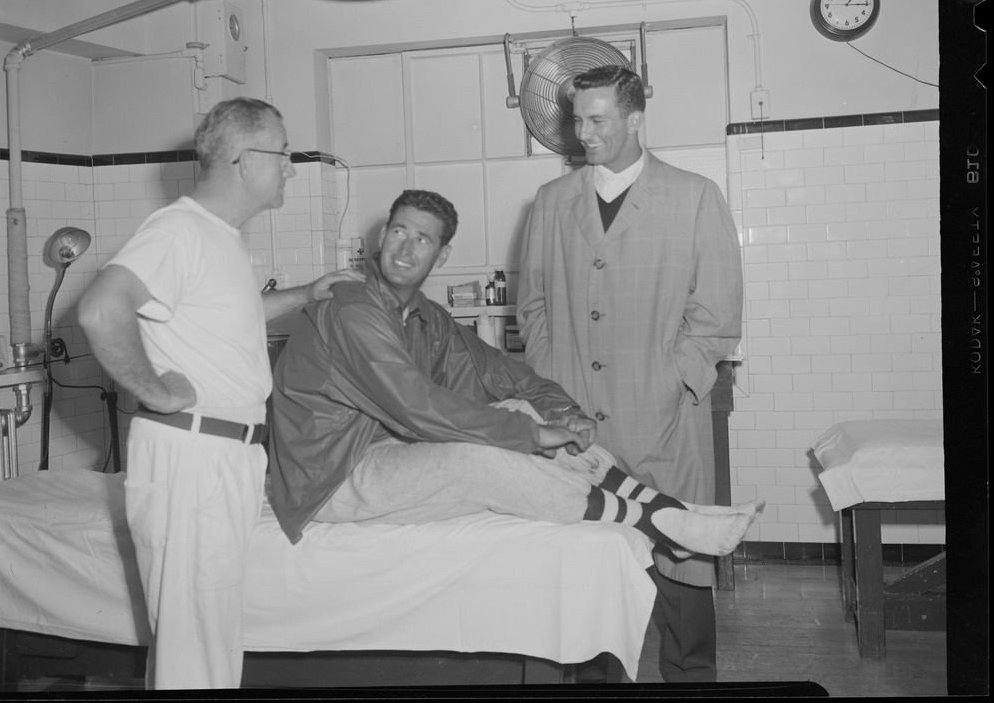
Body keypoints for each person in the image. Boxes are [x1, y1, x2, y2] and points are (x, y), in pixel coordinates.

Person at [268, 189, 761, 566]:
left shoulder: (422, 314)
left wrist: (559, 410)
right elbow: (417, 406)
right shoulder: (353, 307)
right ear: (382, 236)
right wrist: (531, 435)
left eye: (422, 239)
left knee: (519, 411)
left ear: (440, 256)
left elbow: (499, 371)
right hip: (331, 478)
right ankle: (659, 524)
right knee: (476, 458)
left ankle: (669, 508)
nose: (405, 248)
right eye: (398, 231)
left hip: (380, 450)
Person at [77, 97, 362, 690]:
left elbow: (227, 319)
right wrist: (154, 391)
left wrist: (307, 292)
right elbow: (102, 310)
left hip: (224, 456)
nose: (289, 166)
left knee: (208, 638)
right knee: (194, 644)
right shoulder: (179, 229)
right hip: (193, 456)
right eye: (282, 153)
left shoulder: (220, 237)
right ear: (242, 158)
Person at [516, 65, 744, 682]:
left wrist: (672, 381)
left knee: (682, 562)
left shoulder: (694, 196)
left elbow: (718, 315)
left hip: (663, 415)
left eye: (597, 120)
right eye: (577, 120)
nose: (581, 133)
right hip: (575, 419)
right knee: (589, 565)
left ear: (635, 118)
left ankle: (691, 684)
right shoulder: (552, 201)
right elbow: (531, 304)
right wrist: (548, 380)